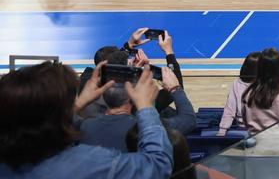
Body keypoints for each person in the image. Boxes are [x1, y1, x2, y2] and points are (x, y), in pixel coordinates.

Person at [0, 60, 172, 178]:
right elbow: (158, 165)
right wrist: (146, 107)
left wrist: (79, 102)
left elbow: (40, 120)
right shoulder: (91, 163)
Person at [78, 65, 195, 150]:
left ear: (102, 95)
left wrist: (80, 101)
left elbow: (60, 121)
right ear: (133, 98)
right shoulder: (148, 127)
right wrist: (175, 88)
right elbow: (189, 120)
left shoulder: (84, 126)